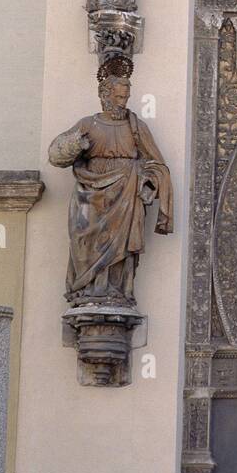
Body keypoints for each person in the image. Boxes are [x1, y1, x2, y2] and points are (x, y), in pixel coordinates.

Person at [48, 63, 172, 306]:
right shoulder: (87, 125)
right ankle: (86, 290)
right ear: (104, 95)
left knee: (120, 250)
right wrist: (76, 144)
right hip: (90, 195)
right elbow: (55, 155)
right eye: (118, 97)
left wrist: (147, 178)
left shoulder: (136, 127)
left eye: (125, 98)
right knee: (84, 244)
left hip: (126, 194)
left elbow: (157, 164)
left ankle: (116, 291)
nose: (122, 103)